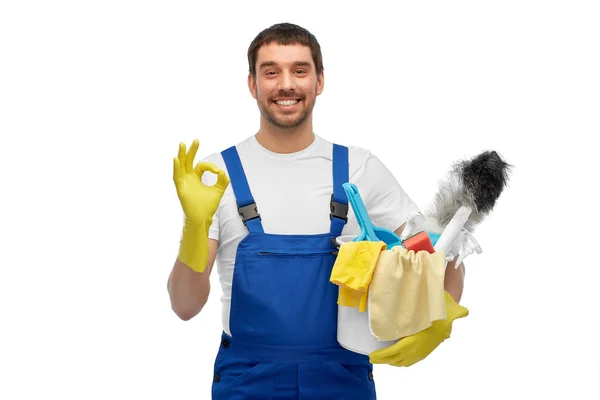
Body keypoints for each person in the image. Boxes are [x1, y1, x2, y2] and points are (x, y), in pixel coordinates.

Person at [167, 22, 466, 399]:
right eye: (271, 71)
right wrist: (195, 225)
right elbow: (185, 305)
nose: (286, 84)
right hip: (247, 380)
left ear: (319, 81)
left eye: (300, 70)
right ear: (252, 84)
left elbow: (440, 250)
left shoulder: (358, 168)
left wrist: (443, 315)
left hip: (343, 377)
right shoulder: (217, 175)